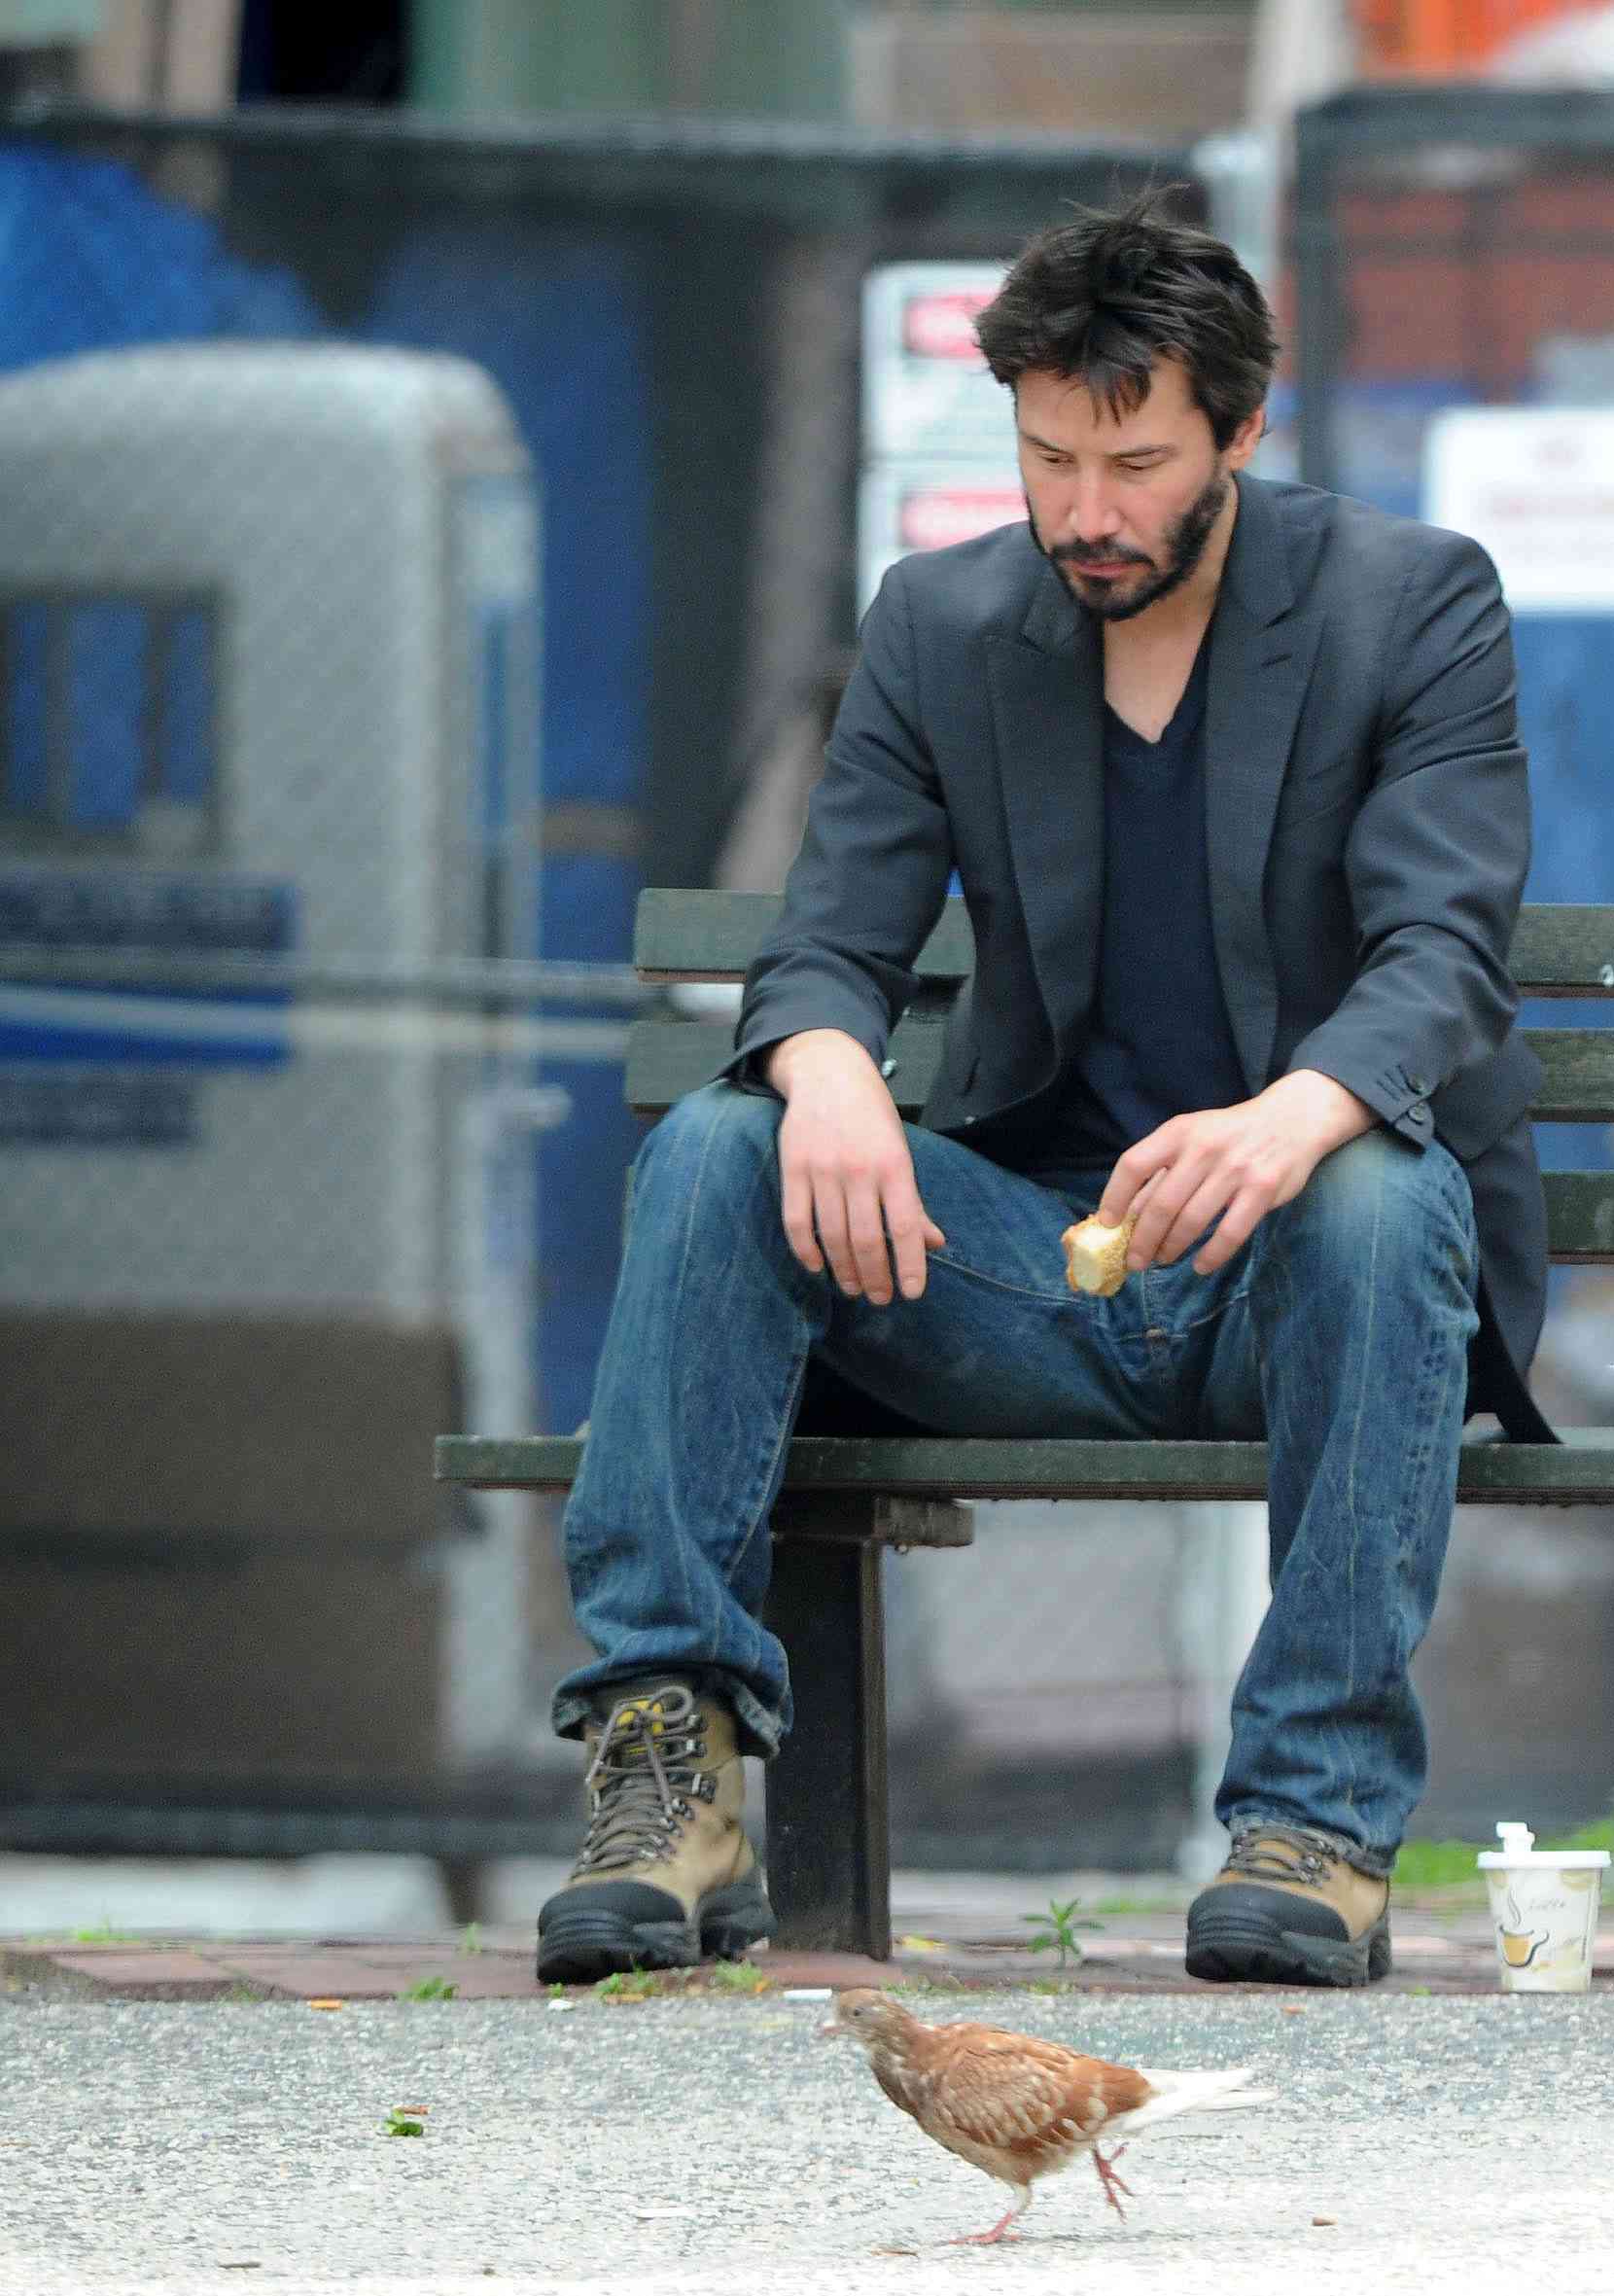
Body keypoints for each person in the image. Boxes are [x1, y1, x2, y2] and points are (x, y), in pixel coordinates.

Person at [534, 191, 1550, 1992]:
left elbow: (1444, 957)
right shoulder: (942, 625)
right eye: (1051, 455)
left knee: (1386, 1191)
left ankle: (1312, 1828)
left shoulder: (1414, 605)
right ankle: (665, 1772)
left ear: (1242, 430)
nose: (1086, 511)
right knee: (719, 1140)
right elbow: (829, 937)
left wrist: (1295, 1113)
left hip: (1304, 1283)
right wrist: (829, 1064)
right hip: (1031, 1275)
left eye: (1138, 461)